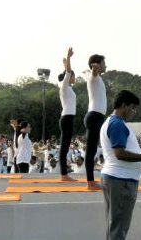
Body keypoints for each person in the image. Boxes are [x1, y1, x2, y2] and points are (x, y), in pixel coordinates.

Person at [100, 90, 141, 240]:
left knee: (117, 225)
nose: (134, 112)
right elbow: (120, 154)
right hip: (120, 180)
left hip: (119, 179)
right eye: (133, 107)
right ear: (123, 105)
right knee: (119, 227)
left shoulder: (116, 122)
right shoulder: (116, 124)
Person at [85, 54, 107, 190]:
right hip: (94, 116)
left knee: (92, 149)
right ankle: (90, 183)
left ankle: (91, 182)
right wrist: (94, 68)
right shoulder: (93, 77)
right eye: (103, 63)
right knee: (91, 150)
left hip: (97, 117)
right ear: (96, 65)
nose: (106, 65)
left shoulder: (99, 79)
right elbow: (93, 73)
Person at [58, 47, 77, 181]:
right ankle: (64, 174)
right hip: (66, 118)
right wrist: (69, 58)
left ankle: (64, 174)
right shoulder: (64, 86)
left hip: (68, 117)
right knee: (64, 147)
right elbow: (68, 72)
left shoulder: (67, 87)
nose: (74, 77)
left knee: (65, 146)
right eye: (72, 76)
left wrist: (65, 63)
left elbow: (67, 71)